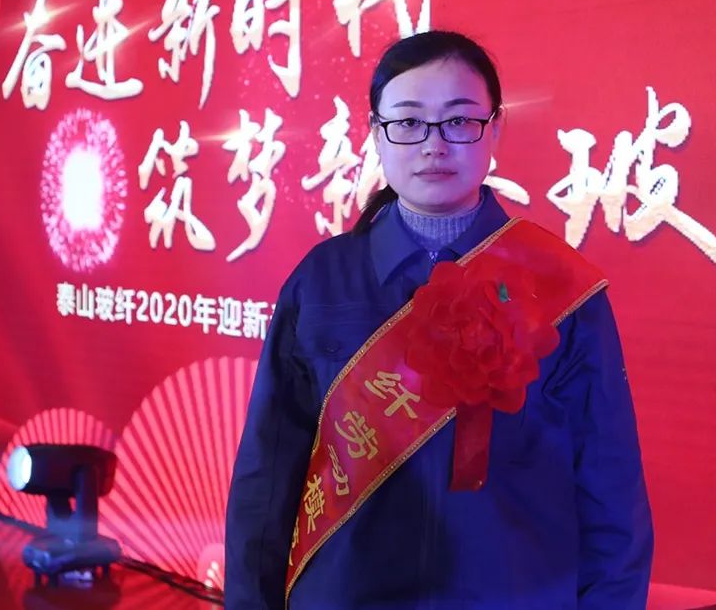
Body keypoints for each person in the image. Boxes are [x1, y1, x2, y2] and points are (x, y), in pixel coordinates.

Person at [225, 30, 653, 610]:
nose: (434, 144)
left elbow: (610, 487)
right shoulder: (321, 283)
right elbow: (268, 476)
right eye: (407, 122)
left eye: (459, 121)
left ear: (494, 129)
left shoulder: (559, 287)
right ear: (376, 132)